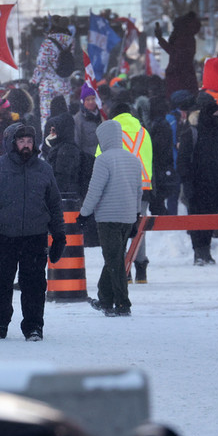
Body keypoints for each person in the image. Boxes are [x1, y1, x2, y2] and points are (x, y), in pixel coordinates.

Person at [0, 123, 65, 341]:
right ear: (11, 143)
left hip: (35, 236)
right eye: (21, 141)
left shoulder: (44, 169)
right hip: (2, 235)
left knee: (34, 285)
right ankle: (0, 323)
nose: (26, 145)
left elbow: (54, 203)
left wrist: (59, 234)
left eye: (29, 141)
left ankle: (34, 326)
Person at [78, 120, 143, 317]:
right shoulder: (133, 159)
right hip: (128, 216)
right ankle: (105, 299)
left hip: (108, 217)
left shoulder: (103, 160)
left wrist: (84, 213)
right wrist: (137, 214)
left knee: (113, 260)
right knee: (114, 257)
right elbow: (139, 191)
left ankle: (123, 304)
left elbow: (95, 190)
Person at [98, 101, 153, 283]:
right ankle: (141, 269)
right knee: (138, 229)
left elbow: (100, 161)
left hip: (117, 189)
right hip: (143, 188)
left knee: (117, 230)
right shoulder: (143, 132)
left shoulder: (109, 134)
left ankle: (124, 269)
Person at [176, 94, 218, 266]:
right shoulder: (191, 133)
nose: (217, 115)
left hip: (215, 184)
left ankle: (205, 250)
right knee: (196, 218)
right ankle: (198, 251)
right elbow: (183, 160)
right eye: (214, 112)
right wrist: (187, 182)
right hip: (196, 184)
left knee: (210, 218)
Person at [31, 14, 74, 125]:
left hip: (48, 85)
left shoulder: (47, 43)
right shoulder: (70, 41)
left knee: (47, 115)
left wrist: (34, 81)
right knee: (64, 114)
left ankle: (48, 138)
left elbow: (41, 65)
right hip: (64, 83)